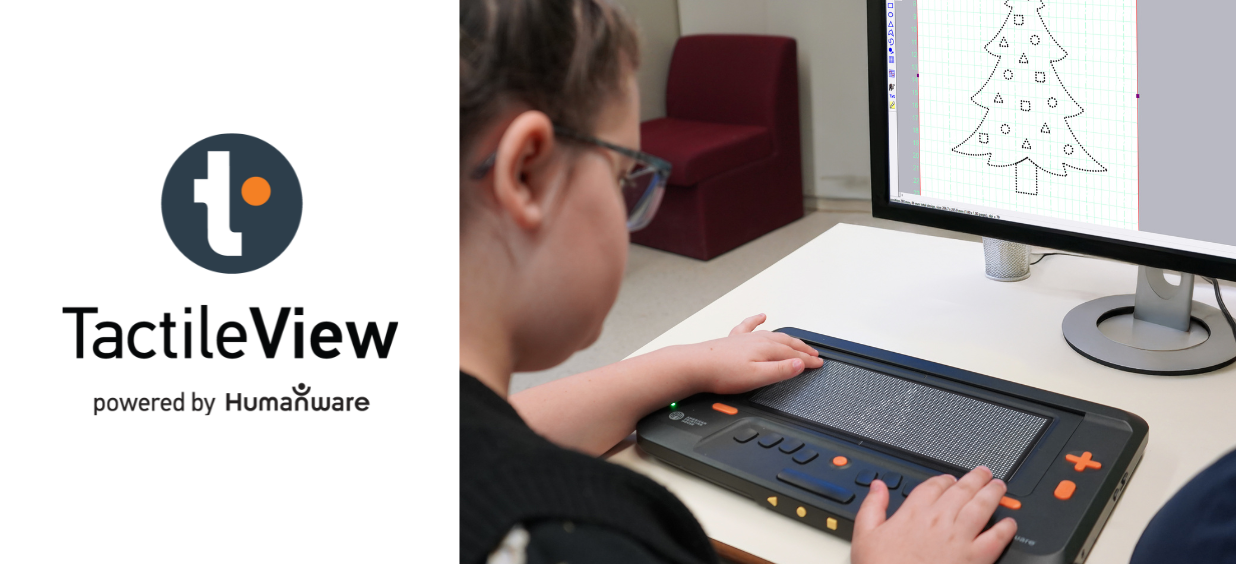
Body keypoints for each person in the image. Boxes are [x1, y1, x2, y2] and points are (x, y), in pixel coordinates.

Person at [459, 1, 1017, 563]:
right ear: (525, 174)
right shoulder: (570, 541)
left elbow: (498, 433)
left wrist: (685, 363)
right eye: (623, 177)